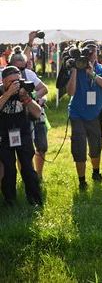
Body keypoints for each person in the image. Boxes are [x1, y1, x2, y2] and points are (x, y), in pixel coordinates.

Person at [66, 40, 102, 190]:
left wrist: (91, 73)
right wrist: (74, 70)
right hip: (77, 113)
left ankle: (96, 172)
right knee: (79, 146)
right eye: (88, 51)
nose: (91, 54)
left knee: (96, 145)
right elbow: (70, 92)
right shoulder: (76, 68)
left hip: (95, 113)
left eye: (94, 50)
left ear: (97, 52)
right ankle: (81, 180)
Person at [0, 66, 43, 206]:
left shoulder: (24, 89)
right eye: (12, 81)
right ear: (4, 81)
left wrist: (26, 98)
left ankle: (35, 199)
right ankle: (10, 200)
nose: (16, 84)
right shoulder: (1, 91)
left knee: (27, 168)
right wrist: (8, 94)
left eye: (18, 80)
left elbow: (37, 113)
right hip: (4, 136)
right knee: (8, 169)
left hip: (23, 133)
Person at [5, 47, 49, 180]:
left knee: (41, 146)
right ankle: (27, 177)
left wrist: (32, 96)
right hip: (16, 118)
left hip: (34, 113)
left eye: (23, 68)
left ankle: (38, 176)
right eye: (18, 68)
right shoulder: (4, 76)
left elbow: (44, 89)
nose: (21, 72)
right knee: (22, 151)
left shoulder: (29, 74)